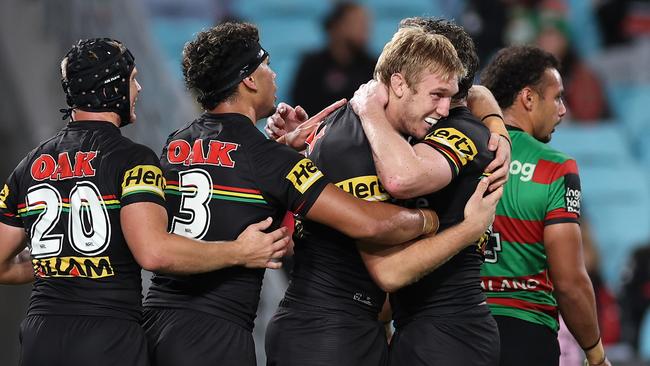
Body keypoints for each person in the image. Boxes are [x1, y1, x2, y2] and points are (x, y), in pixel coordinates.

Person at [141, 22, 439, 366]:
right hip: (215, 337)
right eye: (265, 64)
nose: (274, 74)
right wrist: (432, 220)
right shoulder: (269, 159)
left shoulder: (177, 142)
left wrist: (285, 149)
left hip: (156, 323)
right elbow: (367, 224)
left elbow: (234, 171)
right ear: (249, 80)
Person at [0, 38, 293, 366]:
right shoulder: (134, 160)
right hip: (107, 337)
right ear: (112, 88)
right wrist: (240, 252)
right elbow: (154, 252)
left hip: (40, 336)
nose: (138, 88)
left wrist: (59, 263)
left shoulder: (30, 164)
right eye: (132, 79)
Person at [265, 25, 504, 366]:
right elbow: (387, 265)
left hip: (367, 328)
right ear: (399, 83)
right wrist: (444, 224)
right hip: (328, 333)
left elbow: (474, 95)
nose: (444, 110)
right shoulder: (356, 141)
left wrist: (496, 123)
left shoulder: (380, 133)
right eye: (436, 95)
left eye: (451, 96)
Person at [347, 17, 510, 366]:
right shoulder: (429, 124)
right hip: (427, 329)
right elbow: (478, 92)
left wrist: (370, 111)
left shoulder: (461, 130)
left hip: (450, 333)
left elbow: (401, 179)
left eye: (442, 92)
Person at [479, 45, 610, 366]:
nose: (563, 110)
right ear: (528, 98)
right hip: (525, 334)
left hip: (454, 330)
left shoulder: (453, 156)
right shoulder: (555, 168)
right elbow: (570, 282)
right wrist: (595, 354)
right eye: (557, 97)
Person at [290, 1, 376, 114]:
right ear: (337, 26)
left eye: (365, 24)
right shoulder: (312, 65)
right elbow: (300, 107)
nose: (365, 30)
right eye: (357, 23)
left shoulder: (373, 67)